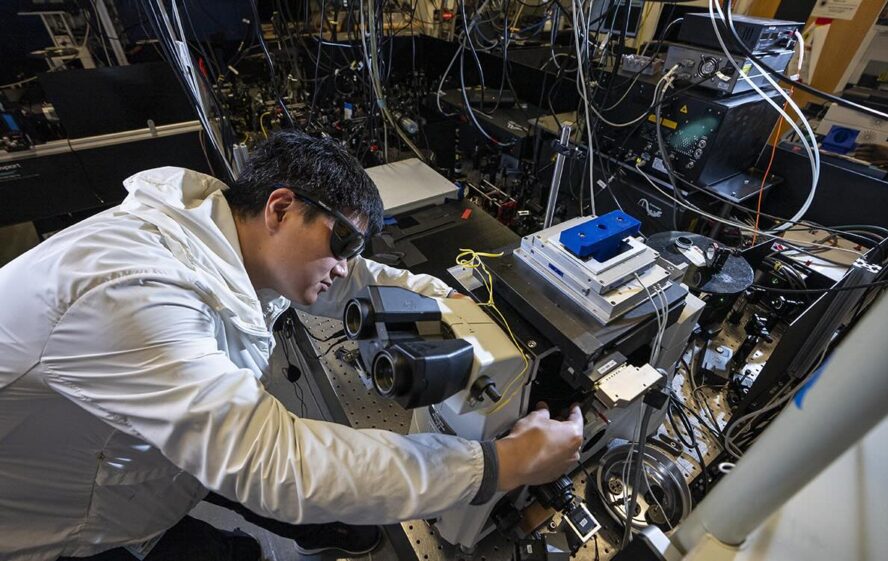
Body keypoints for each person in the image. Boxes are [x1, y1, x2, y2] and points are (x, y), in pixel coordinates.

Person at [0, 131, 584, 561]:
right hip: (59, 522)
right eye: (344, 239)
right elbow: (277, 464)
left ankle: (325, 526)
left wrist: (458, 307)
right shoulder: (132, 292)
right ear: (281, 206)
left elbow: (360, 281)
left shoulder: (231, 236)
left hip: (141, 460)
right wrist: (503, 463)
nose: (346, 264)